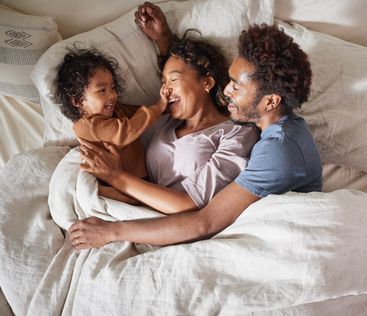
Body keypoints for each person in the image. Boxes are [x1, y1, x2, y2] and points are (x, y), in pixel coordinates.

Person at [68, 4, 322, 249]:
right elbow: (191, 80)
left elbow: (205, 221)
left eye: (236, 85)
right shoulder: (180, 117)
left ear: (270, 101)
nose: (227, 90)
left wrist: (113, 227)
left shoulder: (275, 149)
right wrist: (164, 40)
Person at [55, 47, 167, 203]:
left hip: (139, 180)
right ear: (78, 101)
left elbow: (141, 114)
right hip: (115, 184)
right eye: (102, 90)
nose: (112, 95)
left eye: (113, 88)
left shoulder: (117, 111)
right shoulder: (87, 125)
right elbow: (125, 131)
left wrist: (166, 107)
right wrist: (159, 107)